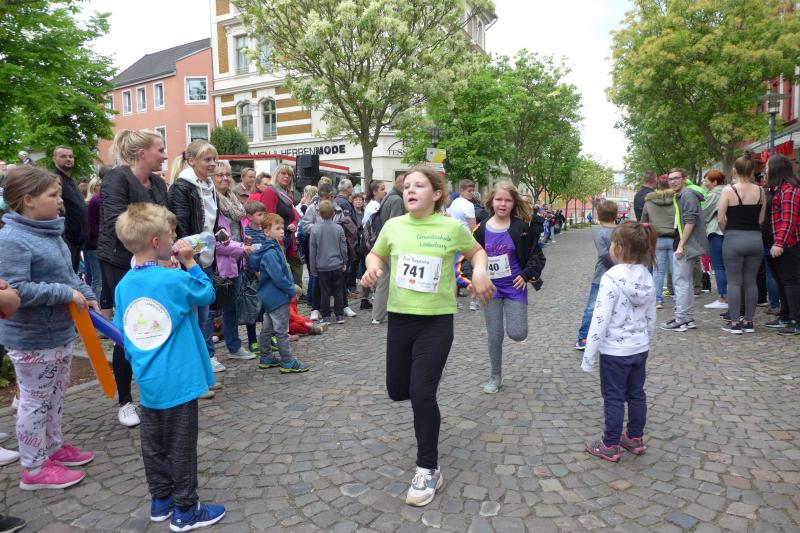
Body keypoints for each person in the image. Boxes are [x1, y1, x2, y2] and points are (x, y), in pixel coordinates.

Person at [361, 165, 494, 507]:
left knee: (422, 393)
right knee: (397, 390)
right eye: (407, 186)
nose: (410, 190)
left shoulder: (451, 228)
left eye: (419, 185)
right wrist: (372, 266)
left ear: (436, 194)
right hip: (400, 320)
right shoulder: (393, 226)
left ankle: (428, 468)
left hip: (436, 322)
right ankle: (423, 388)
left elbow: (477, 252)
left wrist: (480, 271)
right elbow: (376, 253)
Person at [113, 203, 226, 531]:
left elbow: (122, 331)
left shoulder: (123, 285)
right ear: (156, 242)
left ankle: (161, 500)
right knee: (181, 443)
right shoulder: (172, 278)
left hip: (148, 378)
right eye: (171, 235)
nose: (175, 239)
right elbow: (206, 293)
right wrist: (190, 261)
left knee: (154, 443)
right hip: (178, 377)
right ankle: (187, 510)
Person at [0, 166, 98, 490]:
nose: (60, 201)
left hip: (59, 331)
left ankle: (53, 448)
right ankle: (34, 466)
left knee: (55, 395)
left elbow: (67, 275)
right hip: (32, 337)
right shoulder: (12, 240)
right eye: (53, 195)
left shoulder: (50, 232)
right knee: (35, 401)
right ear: (28, 200)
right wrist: (66, 293)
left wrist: (86, 293)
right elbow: (15, 291)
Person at [99, 129, 169, 427]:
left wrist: (170, 249)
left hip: (155, 261)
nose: (165, 155)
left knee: (158, 321)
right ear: (142, 153)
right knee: (130, 326)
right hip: (120, 261)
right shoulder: (118, 178)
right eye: (160, 150)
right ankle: (126, 401)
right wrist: (147, 253)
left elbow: (167, 221)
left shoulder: (159, 183)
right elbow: (117, 223)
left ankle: (155, 388)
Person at [581, 221, 657, 462]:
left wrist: (589, 354)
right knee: (636, 394)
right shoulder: (647, 275)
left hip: (615, 351)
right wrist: (646, 339)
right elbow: (651, 315)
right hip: (639, 348)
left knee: (613, 397)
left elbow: (600, 318)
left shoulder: (611, 277)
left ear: (620, 248)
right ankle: (634, 437)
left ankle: (610, 444)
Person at [472, 181, 545, 394]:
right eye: (499, 199)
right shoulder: (481, 229)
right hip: (491, 289)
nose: (503, 204)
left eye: (507, 200)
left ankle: (514, 330)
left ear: (514, 203)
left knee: (518, 333)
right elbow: (470, 257)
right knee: (494, 335)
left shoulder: (521, 228)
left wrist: (526, 274)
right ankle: (495, 376)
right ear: (491, 201)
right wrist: (472, 280)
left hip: (514, 287)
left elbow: (536, 256)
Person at [168, 140, 227, 373]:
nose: (212, 164)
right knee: (194, 315)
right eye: (207, 159)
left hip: (207, 257)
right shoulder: (182, 188)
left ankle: (203, 359)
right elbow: (181, 227)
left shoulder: (209, 185)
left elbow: (209, 222)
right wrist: (194, 250)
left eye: (214, 159)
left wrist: (217, 235)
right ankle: (196, 364)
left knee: (204, 313)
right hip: (190, 259)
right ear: (191, 161)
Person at [249, 214, 310, 372]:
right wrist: (291, 289)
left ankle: (266, 357)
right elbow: (278, 277)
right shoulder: (271, 252)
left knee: (267, 328)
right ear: (267, 232)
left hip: (270, 297)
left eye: (282, 228)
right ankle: (287, 360)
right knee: (282, 330)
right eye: (277, 228)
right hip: (277, 297)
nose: (282, 231)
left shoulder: (272, 248)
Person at [212, 160, 256, 359]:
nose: (224, 178)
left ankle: (234, 346)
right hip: (221, 263)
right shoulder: (212, 203)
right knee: (212, 310)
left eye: (227, 174)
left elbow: (235, 228)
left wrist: (243, 239)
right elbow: (217, 241)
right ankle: (209, 355)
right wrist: (241, 247)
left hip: (237, 260)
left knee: (232, 307)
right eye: (219, 175)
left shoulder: (233, 199)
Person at [717, 152, 765, 334]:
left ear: (735, 170)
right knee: (751, 282)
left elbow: (720, 219)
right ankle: (749, 322)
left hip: (734, 238)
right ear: (752, 170)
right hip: (755, 238)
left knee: (734, 282)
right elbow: (761, 219)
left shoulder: (728, 190)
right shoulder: (761, 191)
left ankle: (735, 323)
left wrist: (728, 232)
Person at [661, 168, 707, 332]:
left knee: (681, 283)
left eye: (676, 178)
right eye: (670, 179)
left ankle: (681, 319)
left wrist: (681, 245)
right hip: (685, 242)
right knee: (685, 283)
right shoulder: (682, 195)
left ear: (684, 179)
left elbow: (690, 221)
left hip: (685, 244)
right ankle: (687, 318)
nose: (673, 181)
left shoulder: (687, 195)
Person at [764, 154, 800, 335]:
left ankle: (796, 320)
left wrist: (779, 243)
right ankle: (786, 316)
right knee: (782, 281)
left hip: (789, 245)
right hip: (776, 244)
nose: (765, 170)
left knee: (791, 282)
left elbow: (789, 219)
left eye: (767, 167)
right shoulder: (777, 189)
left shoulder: (789, 190)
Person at [575, 200, 618, 350]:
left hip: (601, 276)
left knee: (592, 307)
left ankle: (584, 338)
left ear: (598, 216)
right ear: (616, 214)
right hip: (620, 277)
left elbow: (604, 255)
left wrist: (614, 270)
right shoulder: (622, 232)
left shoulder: (600, 234)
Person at [370, 173, 406, 325]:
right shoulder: (397, 200)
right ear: (400, 184)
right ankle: (401, 313)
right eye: (407, 184)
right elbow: (395, 225)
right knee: (400, 280)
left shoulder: (388, 197)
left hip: (384, 244)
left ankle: (377, 316)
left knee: (383, 281)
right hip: (393, 247)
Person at [259, 164, 303, 287]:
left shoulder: (286, 194)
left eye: (289, 174)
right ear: (276, 175)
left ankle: (294, 292)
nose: (287, 176)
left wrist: (293, 224)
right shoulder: (270, 192)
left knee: (292, 266)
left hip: (287, 237)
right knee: (279, 270)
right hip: (275, 239)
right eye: (283, 173)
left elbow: (295, 216)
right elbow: (268, 219)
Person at [309, 200, 348, 325]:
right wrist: (344, 261)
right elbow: (343, 247)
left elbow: (312, 251)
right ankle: (339, 315)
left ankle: (326, 316)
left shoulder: (315, 229)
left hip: (322, 266)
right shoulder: (339, 228)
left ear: (319, 213)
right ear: (333, 213)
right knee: (338, 290)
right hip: (337, 264)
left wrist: (313, 269)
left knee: (324, 292)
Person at [641, 175, 675, 309]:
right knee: (676, 271)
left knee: (658, 271)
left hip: (657, 239)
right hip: (674, 238)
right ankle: (678, 299)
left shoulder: (649, 201)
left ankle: (657, 300)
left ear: (658, 185)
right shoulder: (677, 199)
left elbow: (644, 222)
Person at [52, 145, 88, 272]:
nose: (68, 159)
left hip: (77, 242)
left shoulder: (71, 180)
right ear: (54, 159)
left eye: (71, 156)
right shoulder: (54, 180)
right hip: (66, 242)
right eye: (63, 156)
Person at [702, 170, 728, 310]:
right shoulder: (730, 191)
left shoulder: (713, 195)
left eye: (706, 181)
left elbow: (704, 215)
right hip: (730, 232)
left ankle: (723, 298)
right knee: (728, 266)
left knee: (718, 266)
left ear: (715, 182)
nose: (705, 184)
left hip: (716, 231)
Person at [84, 175, 103, 299]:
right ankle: (96, 304)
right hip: (93, 245)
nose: (101, 187)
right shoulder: (91, 203)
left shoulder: (92, 202)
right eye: (98, 185)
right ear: (93, 187)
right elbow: (92, 225)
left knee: (92, 276)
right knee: (97, 279)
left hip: (91, 245)